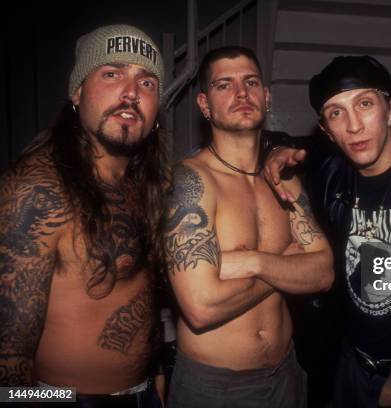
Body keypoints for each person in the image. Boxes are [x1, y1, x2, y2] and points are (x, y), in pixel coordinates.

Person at [265, 56, 391, 407]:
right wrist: (273, 150)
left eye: (364, 104)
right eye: (336, 113)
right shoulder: (327, 177)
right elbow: (275, 149)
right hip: (352, 368)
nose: (353, 126)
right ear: (325, 130)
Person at [0, 25, 168, 406]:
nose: (130, 93)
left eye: (147, 83)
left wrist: (155, 376)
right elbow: (8, 361)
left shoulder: (147, 183)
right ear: (77, 92)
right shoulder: (37, 191)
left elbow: (142, 297)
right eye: (112, 74)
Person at [164, 46, 333, 408]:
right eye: (224, 85)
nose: (241, 93)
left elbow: (323, 273)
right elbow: (202, 306)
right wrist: (284, 263)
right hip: (217, 388)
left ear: (266, 97)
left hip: (287, 373)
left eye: (250, 82)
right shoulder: (191, 182)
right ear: (205, 105)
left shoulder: (282, 177)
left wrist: (255, 261)